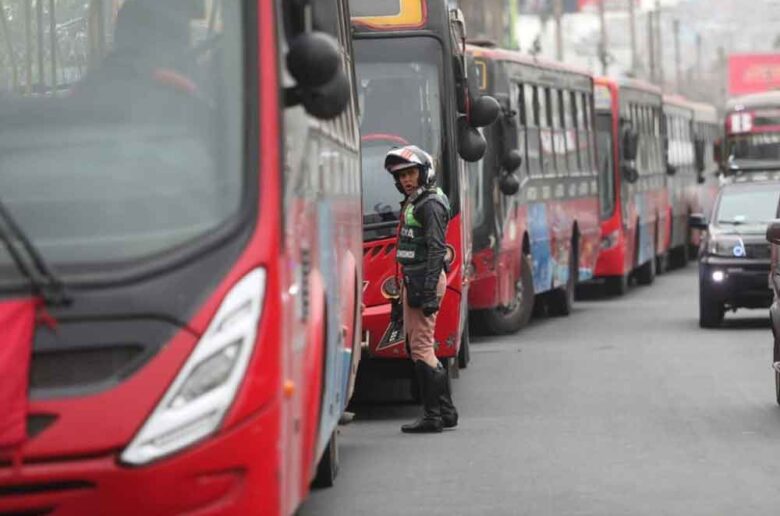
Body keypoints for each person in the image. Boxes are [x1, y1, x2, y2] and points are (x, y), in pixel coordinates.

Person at [384, 145, 458, 434]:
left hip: (424, 280)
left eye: (411, 173)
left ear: (424, 172)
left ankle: (432, 416)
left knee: (422, 348)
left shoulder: (430, 204)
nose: (406, 180)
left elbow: (437, 249)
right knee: (418, 346)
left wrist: (428, 293)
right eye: (401, 175)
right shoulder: (417, 201)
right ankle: (446, 411)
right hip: (414, 279)